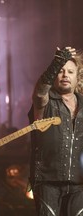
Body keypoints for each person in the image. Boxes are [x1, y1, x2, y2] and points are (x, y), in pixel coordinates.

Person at [28, 46, 83, 216]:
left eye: (70, 72)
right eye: (60, 71)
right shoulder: (45, 101)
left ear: (78, 78)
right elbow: (39, 93)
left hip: (79, 184)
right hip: (47, 182)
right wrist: (56, 62)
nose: (65, 75)